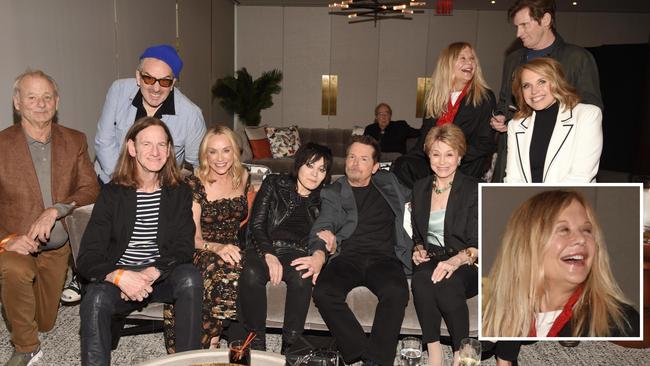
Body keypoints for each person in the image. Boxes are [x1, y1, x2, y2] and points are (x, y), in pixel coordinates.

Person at [77, 117, 203, 366]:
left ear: (169, 151)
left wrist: (153, 271)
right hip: (121, 277)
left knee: (190, 278)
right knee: (95, 298)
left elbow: (183, 247)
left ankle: (189, 361)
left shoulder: (179, 192)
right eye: (147, 144)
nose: (155, 152)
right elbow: (87, 257)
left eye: (162, 145)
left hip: (161, 276)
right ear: (132, 148)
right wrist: (120, 277)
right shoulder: (112, 194)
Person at [0, 70, 99, 366]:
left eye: (47, 97)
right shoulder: (1, 146)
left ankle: (24, 312)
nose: (40, 104)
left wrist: (57, 209)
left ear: (57, 101)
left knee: (46, 322)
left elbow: (91, 188)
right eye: (32, 97)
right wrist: (6, 240)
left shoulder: (75, 140)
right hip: (16, 243)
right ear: (18, 103)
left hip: (58, 248)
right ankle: (26, 347)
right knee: (14, 271)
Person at [293, 135, 412, 366]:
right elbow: (322, 227)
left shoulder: (390, 183)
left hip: (384, 259)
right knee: (324, 292)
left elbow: (420, 198)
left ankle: (375, 362)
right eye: (352, 157)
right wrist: (318, 254)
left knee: (396, 292)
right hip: (348, 257)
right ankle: (361, 349)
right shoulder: (334, 192)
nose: (355, 163)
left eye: (364, 159)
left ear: (376, 167)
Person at [482, 190, 639, 338]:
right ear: (527, 245)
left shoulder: (621, 325)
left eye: (587, 230)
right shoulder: (493, 324)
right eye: (564, 229)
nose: (581, 239)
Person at [490, 0, 603, 182]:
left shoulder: (577, 58)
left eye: (524, 25)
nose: (519, 33)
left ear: (546, 20)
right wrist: (503, 116)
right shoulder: (513, 60)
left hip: (563, 161)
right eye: (517, 27)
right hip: (519, 152)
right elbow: (506, 100)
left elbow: (591, 108)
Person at [239, 143, 333, 353]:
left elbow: (326, 233)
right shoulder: (274, 182)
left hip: (296, 251)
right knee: (252, 273)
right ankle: (256, 343)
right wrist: (269, 254)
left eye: (322, 169)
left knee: (302, 276)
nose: (315, 174)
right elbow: (256, 224)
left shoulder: (325, 198)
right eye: (310, 166)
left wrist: (328, 245)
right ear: (298, 164)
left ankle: (290, 346)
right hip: (263, 244)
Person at [163, 125, 250, 352]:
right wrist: (218, 247)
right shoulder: (195, 184)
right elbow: (192, 237)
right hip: (200, 248)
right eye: (212, 152)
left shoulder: (242, 176)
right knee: (222, 266)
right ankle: (210, 338)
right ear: (204, 155)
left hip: (231, 246)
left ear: (235, 152)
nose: (220, 158)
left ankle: (214, 335)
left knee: (240, 264)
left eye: (226, 150)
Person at [409, 124, 478, 366]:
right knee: (420, 280)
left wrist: (456, 261)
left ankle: (461, 354)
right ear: (428, 156)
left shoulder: (472, 189)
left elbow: (477, 242)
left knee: (448, 285)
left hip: (468, 260)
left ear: (459, 157)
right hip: (434, 257)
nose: (442, 161)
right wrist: (418, 250)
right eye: (436, 154)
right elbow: (418, 236)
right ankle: (435, 352)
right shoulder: (419, 188)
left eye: (449, 154)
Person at [94, 44, 206, 184]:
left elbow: (196, 165)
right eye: (148, 79)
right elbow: (104, 142)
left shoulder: (191, 115)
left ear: (173, 83)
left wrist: (168, 184)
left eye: (165, 81)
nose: (156, 88)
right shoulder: (118, 91)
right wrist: (124, 181)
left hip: (160, 189)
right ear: (138, 76)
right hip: (112, 180)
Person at [392, 42, 496, 188]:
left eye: (472, 59)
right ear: (448, 64)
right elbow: (425, 136)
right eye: (463, 58)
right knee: (402, 166)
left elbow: (484, 143)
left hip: (464, 162)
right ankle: (420, 206)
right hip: (433, 161)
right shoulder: (434, 97)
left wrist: (453, 156)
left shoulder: (484, 97)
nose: (469, 63)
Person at [504, 57, 602, 183]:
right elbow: (513, 179)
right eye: (526, 86)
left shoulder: (587, 115)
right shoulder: (516, 125)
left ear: (557, 82)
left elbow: (581, 177)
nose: (534, 91)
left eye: (542, 82)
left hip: (568, 198)